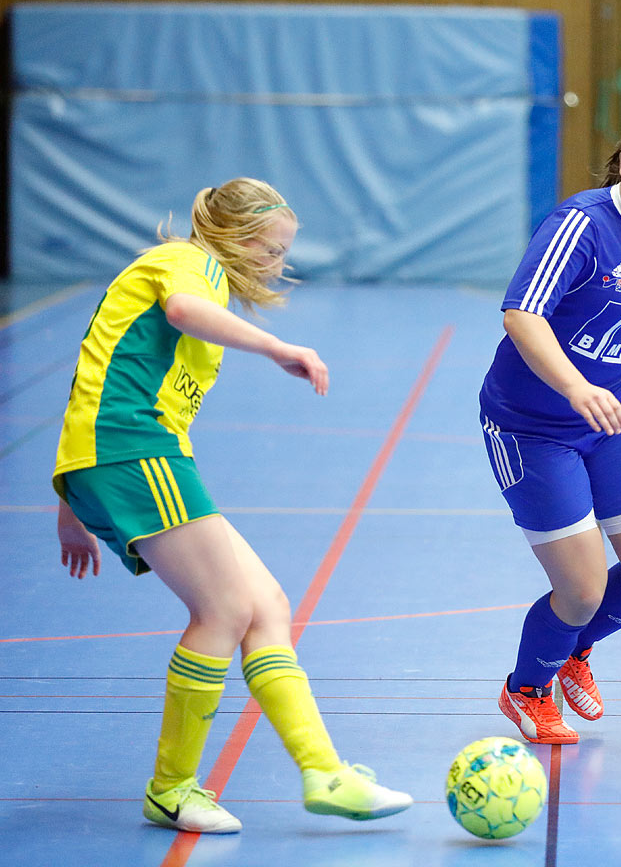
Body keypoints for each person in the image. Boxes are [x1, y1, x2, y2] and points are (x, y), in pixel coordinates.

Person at [52, 178, 413, 832]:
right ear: (238, 242)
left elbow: (95, 368)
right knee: (222, 608)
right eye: (272, 252)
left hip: (126, 455)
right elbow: (185, 314)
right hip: (133, 449)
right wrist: (280, 348)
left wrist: (69, 501)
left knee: (267, 605)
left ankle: (323, 770)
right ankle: (172, 787)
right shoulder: (191, 264)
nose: (277, 266)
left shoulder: (188, 275)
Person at [479, 108, 621, 745]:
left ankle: (573, 651)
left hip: (612, 413)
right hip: (532, 425)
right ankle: (526, 687)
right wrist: (577, 387)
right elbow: (522, 316)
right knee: (578, 590)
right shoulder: (579, 225)